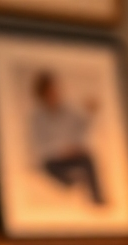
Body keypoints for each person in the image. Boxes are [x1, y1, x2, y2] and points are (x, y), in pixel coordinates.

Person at [29, 70, 104, 205]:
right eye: (51, 90)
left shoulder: (68, 110)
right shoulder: (37, 118)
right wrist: (60, 150)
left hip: (70, 155)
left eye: (55, 89)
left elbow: (81, 127)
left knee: (87, 158)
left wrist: (90, 112)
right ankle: (70, 183)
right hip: (51, 159)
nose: (55, 93)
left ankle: (96, 197)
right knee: (48, 168)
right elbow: (38, 147)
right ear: (43, 93)